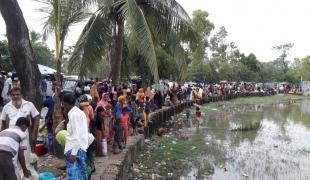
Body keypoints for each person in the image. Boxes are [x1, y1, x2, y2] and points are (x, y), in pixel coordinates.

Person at [0, 87, 40, 179]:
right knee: (13, 160)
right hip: (11, 137)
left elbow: (37, 117)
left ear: (21, 95)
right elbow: (3, 122)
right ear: (10, 96)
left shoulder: (29, 104)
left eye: (17, 94)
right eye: (13, 95)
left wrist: (34, 133)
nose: (15, 97)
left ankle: (25, 176)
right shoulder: (7, 107)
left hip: (24, 135)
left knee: (25, 159)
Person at [61, 92, 89, 180]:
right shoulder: (79, 112)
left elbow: (76, 135)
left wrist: (73, 153)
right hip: (79, 148)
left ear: (65, 103)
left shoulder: (74, 114)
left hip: (75, 149)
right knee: (81, 174)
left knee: (74, 176)